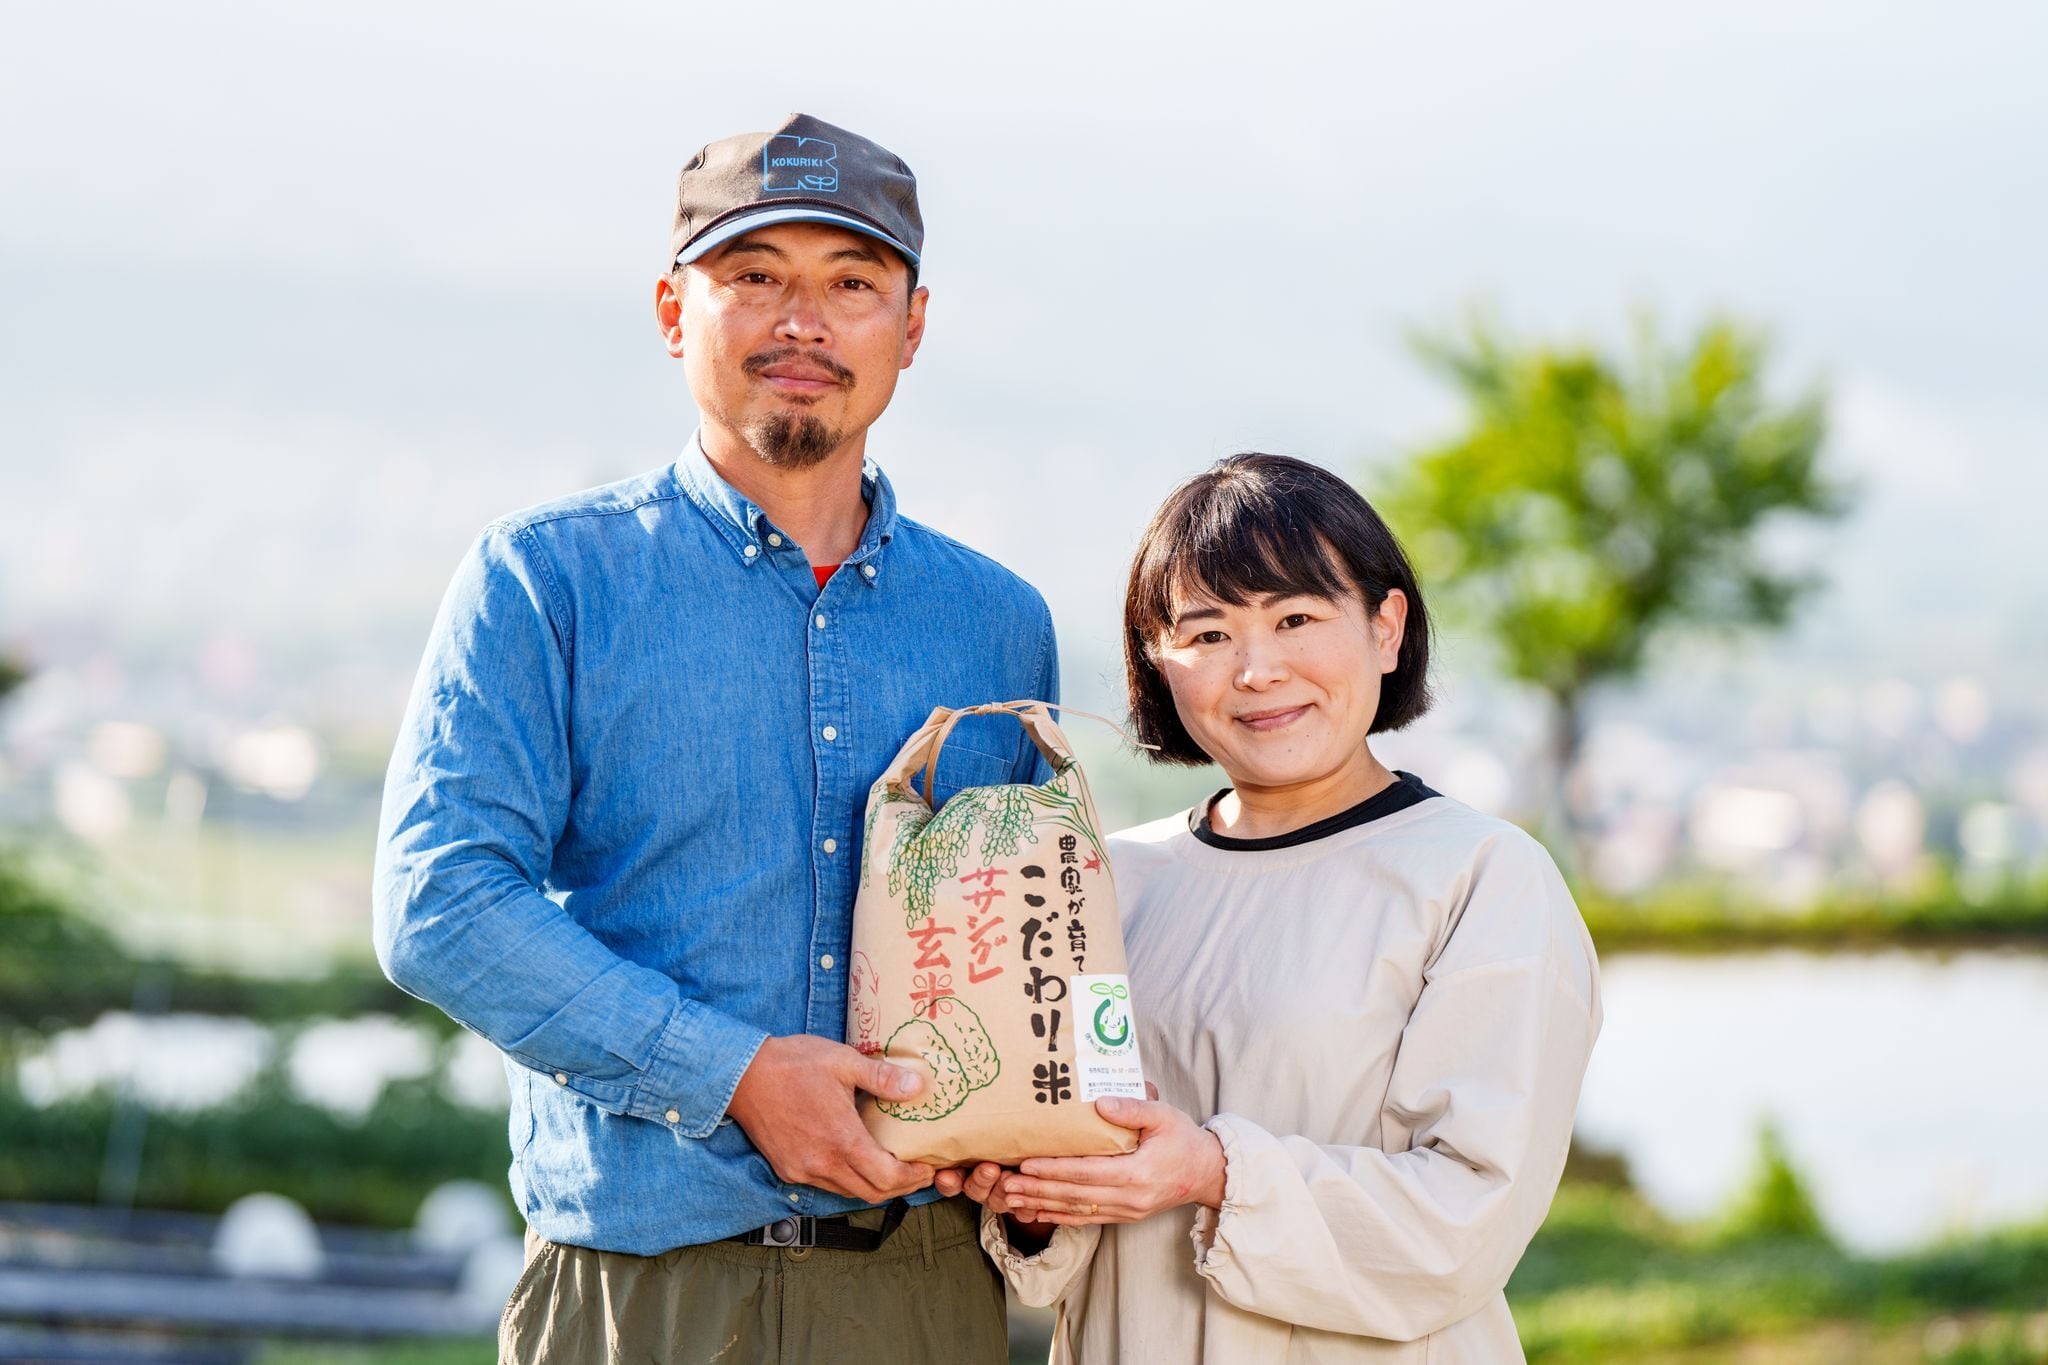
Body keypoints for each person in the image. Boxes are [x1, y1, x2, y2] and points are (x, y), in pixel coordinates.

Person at [372, 113, 1054, 1363]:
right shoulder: (545, 581)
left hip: (918, 1296)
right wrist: (732, 1072)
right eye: (755, 278)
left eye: (851, 283)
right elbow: (439, 902)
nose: (803, 321)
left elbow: (1011, 946)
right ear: (672, 311)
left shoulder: (999, 627)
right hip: (639, 1298)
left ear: (910, 326)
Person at [940, 453, 1601, 1362]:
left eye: (1296, 618)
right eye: (1207, 634)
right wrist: (1030, 1196)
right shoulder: (1106, 880)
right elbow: (1063, 1214)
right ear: (1155, 660)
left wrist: (1213, 1171)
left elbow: (1468, 1218)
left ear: (1386, 627)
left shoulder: (1480, 877)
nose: (1256, 669)